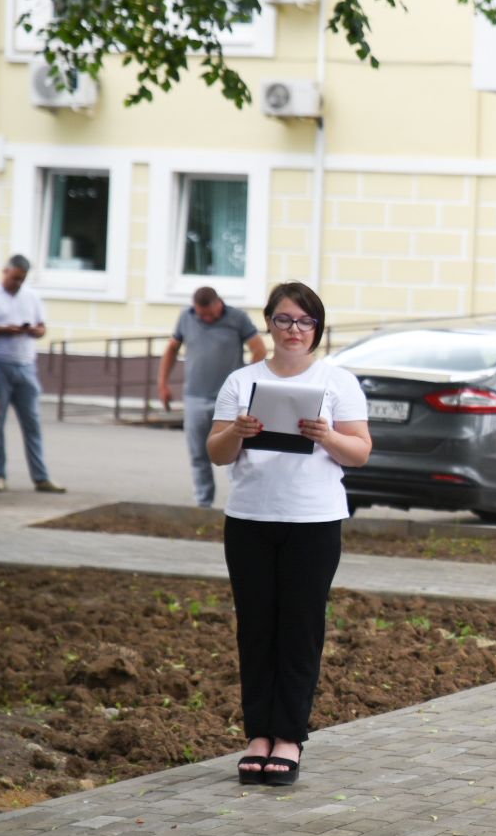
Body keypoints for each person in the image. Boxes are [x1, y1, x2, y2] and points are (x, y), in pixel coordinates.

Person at [207, 282, 371, 786]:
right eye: (284, 319)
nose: (294, 330)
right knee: (255, 628)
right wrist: (237, 432)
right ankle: (258, 736)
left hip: (313, 522)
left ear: (317, 328)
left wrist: (327, 435)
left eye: (304, 321)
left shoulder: (338, 381)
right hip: (250, 520)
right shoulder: (242, 381)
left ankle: (289, 738)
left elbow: (360, 451)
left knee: (300, 629)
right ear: (269, 323)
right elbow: (216, 452)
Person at [159, 287, 266, 507]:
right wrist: (163, 384)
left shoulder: (238, 317)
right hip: (195, 397)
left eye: (209, 313)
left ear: (219, 303)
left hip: (230, 399)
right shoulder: (186, 317)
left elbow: (259, 349)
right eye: (201, 314)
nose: (205, 318)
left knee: (236, 453)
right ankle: (203, 504)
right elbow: (171, 349)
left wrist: (247, 383)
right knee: (198, 454)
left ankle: (239, 502)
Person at [0, 255, 65, 493]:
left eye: (21, 279)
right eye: (14, 278)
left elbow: (42, 327)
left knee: (32, 423)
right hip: (0, 363)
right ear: (5, 271)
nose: (17, 283)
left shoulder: (31, 296)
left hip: (26, 364)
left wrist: (34, 331)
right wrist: (4, 329)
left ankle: (41, 477)